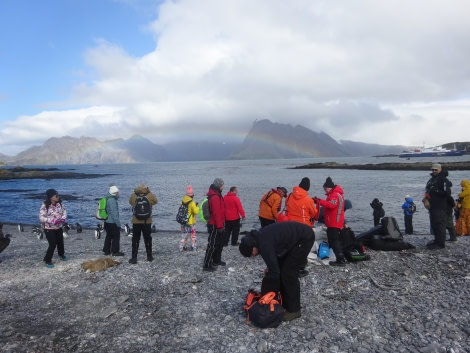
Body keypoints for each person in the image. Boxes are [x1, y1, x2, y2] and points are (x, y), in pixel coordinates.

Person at [238, 221, 315, 322]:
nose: (253, 256)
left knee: (288, 274)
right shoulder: (259, 239)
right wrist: (270, 267)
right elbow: (274, 257)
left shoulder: (263, 243)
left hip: (304, 238)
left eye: (251, 254)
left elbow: (274, 271)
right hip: (293, 241)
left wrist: (267, 291)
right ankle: (284, 302)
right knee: (282, 269)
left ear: (253, 248)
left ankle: (294, 310)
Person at [315, 177, 346, 266]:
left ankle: (340, 259)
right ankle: (338, 256)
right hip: (334, 221)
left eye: (325, 188)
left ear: (330, 187)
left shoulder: (335, 195)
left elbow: (331, 205)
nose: (325, 190)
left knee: (334, 240)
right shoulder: (334, 194)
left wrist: (320, 201)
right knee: (333, 239)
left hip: (334, 222)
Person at [128, 183, 158, 263]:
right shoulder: (149, 195)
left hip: (136, 221)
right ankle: (149, 256)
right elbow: (155, 201)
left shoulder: (134, 195)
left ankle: (134, 258)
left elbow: (130, 202)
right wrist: (150, 192)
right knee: (147, 238)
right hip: (147, 221)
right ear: (146, 188)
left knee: (135, 239)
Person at [424, 163, 452, 249]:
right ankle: (437, 240)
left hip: (440, 206)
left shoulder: (443, 180)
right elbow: (428, 189)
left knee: (439, 224)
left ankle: (440, 243)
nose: (434, 171)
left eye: (436, 169)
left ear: (440, 169)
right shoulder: (433, 179)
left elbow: (446, 193)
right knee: (435, 224)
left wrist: (435, 190)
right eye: (433, 169)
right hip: (433, 205)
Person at [39, 189, 67, 268]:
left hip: (58, 227)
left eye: (58, 195)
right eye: (56, 195)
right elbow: (41, 218)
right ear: (51, 197)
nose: (58, 197)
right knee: (52, 244)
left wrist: (63, 219)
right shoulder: (45, 206)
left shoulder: (60, 204)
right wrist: (52, 221)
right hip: (49, 228)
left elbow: (64, 212)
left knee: (60, 242)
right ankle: (47, 260)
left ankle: (61, 255)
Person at [203, 178, 226, 272]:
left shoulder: (217, 195)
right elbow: (216, 213)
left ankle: (216, 260)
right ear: (218, 186)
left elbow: (220, 212)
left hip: (218, 223)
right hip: (214, 224)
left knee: (219, 244)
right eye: (222, 185)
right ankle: (207, 264)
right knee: (212, 244)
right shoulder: (215, 197)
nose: (223, 187)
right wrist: (220, 226)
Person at [103, 185, 124, 257]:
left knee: (108, 236)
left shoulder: (107, 198)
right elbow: (114, 213)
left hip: (106, 221)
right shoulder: (112, 201)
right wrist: (118, 224)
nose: (118, 193)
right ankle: (115, 251)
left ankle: (106, 250)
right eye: (117, 192)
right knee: (116, 236)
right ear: (113, 193)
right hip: (112, 222)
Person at [179, 185, 200, 251]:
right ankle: (193, 247)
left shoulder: (183, 201)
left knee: (184, 235)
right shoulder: (192, 203)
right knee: (193, 235)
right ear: (192, 195)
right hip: (191, 222)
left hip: (183, 221)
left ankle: (181, 247)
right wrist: (197, 206)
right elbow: (196, 212)